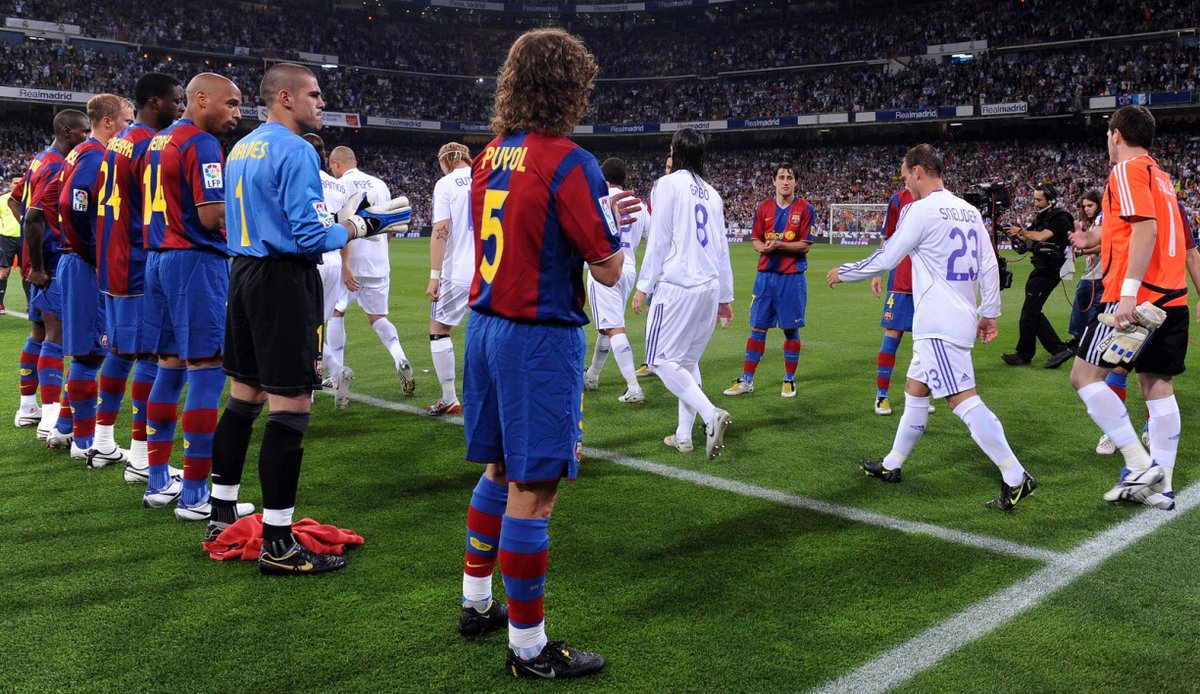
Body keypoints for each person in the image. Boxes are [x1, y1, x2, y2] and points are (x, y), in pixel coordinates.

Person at [459, 28, 626, 679]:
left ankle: (476, 603)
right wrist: (619, 225)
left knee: (500, 471)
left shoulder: (489, 155)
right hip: (537, 335)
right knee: (536, 488)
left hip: (487, 327)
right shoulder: (569, 161)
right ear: (568, 87)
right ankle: (528, 648)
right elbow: (607, 270)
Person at [213, 62, 410, 573]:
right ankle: (279, 542)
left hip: (244, 274)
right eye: (315, 95)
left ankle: (220, 512)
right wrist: (358, 226)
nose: (322, 104)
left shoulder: (241, 147)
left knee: (244, 395)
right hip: (281, 280)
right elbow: (307, 235)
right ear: (285, 97)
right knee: (293, 403)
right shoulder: (297, 149)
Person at [828, 144, 1037, 511]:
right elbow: (990, 266)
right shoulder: (969, 211)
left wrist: (845, 272)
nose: (904, 180)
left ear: (919, 171)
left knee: (961, 399)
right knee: (915, 389)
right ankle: (893, 464)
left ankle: (1016, 476)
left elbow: (889, 256)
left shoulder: (919, 210)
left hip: (938, 322)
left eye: (905, 173)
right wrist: (988, 312)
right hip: (957, 316)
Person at [1067, 106, 1189, 511]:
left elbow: (1145, 229)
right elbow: (1135, 226)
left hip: (1137, 296)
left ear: (1116, 134)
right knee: (1157, 386)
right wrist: (1094, 238)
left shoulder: (1125, 169)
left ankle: (1138, 463)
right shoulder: (1163, 178)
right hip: (1173, 294)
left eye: (1107, 133)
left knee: (1084, 377)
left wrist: (1129, 294)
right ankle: (1163, 485)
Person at [140, 73, 243, 520]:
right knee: (207, 368)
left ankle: (160, 480)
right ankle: (197, 494)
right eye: (232, 104)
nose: (237, 114)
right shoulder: (201, 144)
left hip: (158, 260)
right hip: (195, 263)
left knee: (168, 366)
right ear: (201, 99)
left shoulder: (158, 141)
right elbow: (212, 216)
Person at [96, 72, 186, 483]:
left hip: (112, 260)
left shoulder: (116, 142)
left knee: (120, 351)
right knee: (151, 355)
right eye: (175, 101)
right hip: (137, 259)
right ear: (154, 102)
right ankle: (140, 458)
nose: (181, 109)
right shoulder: (150, 144)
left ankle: (102, 440)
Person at [633, 128, 734, 457]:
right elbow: (722, 250)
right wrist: (725, 298)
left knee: (660, 360)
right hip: (709, 287)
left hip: (678, 287)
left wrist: (644, 286)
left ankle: (710, 414)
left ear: (675, 151)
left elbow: (659, 240)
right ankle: (683, 436)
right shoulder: (713, 194)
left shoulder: (667, 184)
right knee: (687, 361)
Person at [55, 93, 133, 465]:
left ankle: (68, 426)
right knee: (90, 353)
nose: (130, 128)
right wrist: (89, 248)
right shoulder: (96, 154)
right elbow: (73, 201)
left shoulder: (82, 152)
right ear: (109, 123)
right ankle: (85, 442)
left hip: (77, 261)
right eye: (127, 121)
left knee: (87, 351)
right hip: (83, 264)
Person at [23, 110, 90, 446]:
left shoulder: (40, 159)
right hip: (48, 261)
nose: (88, 136)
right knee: (56, 334)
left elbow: (16, 202)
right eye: (84, 131)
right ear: (67, 131)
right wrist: (38, 263)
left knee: (39, 332)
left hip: (39, 258)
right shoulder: (55, 164)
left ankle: (28, 408)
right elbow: (32, 215)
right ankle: (50, 418)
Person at [326, 145, 415, 397]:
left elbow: (344, 227)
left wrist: (344, 265)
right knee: (378, 317)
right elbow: (391, 225)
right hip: (378, 262)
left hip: (351, 260)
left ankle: (336, 375)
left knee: (336, 312)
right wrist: (381, 254)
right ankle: (400, 358)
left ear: (336, 164)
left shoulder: (341, 185)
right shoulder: (381, 184)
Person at [724, 163, 812, 398]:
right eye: (781, 177)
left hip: (791, 277)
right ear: (773, 181)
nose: (785, 181)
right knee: (757, 327)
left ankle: (789, 379)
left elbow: (805, 245)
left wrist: (780, 245)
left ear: (795, 182)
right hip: (765, 277)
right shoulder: (763, 208)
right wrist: (764, 248)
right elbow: (755, 240)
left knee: (790, 329)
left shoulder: (805, 208)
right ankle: (747, 379)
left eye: (789, 177)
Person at [583, 157, 649, 404]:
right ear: (625, 179)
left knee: (613, 327)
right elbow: (651, 236)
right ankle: (593, 375)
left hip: (605, 266)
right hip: (629, 267)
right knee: (609, 326)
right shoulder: (639, 205)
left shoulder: (599, 200)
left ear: (603, 178)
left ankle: (633, 386)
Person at [300, 133, 354, 408]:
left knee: (304, 328)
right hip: (334, 261)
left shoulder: (300, 177)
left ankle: (308, 385)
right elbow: (346, 227)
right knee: (319, 324)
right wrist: (346, 265)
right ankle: (336, 370)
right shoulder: (338, 185)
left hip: (311, 259)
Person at [1001, 183, 1075, 368]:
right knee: (1032, 312)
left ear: (1050, 199)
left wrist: (1022, 232)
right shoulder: (1041, 217)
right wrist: (1014, 234)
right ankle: (1047, 351)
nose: (1035, 203)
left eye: (1038, 199)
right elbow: (1028, 239)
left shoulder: (1060, 217)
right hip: (1041, 268)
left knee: (1030, 312)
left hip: (1050, 269)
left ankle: (1037, 352)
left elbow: (1042, 236)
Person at [425, 142, 473, 416]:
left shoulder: (446, 184)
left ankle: (449, 397)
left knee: (439, 328)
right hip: (491, 272)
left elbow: (441, 229)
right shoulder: (487, 177)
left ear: (445, 162)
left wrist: (434, 276)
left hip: (459, 273)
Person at [870, 187, 915, 416]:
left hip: (929, 281)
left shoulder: (937, 198)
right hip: (900, 278)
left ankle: (918, 396)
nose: (905, 179)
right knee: (893, 333)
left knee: (925, 339)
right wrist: (878, 272)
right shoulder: (898, 199)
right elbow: (887, 238)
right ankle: (882, 395)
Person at [1067, 189, 1104, 349]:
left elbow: (1104, 246)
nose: (1087, 209)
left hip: (1098, 272)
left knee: (1084, 301)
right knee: (1087, 303)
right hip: (1093, 270)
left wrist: (1083, 250)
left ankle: (1080, 340)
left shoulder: (1102, 219)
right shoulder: (1094, 222)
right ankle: (1083, 339)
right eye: (1084, 206)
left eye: (1090, 205)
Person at [0, 175, 21, 315]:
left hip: (26, 237)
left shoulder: (28, 198)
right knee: (3, 272)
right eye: (15, 183)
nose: (18, 185)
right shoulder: (2, 199)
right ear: (10, 184)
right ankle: (0, 304)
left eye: (20, 183)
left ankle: (32, 304)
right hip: (6, 238)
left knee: (28, 272)